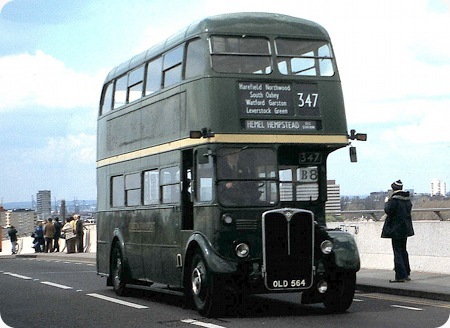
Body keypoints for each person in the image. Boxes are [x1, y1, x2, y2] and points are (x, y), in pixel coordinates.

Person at [381, 180, 415, 283]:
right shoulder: (407, 200)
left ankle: (400, 275)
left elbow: (388, 210)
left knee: (397, 252)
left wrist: (386, 202)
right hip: (405, 228)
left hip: (395, 229)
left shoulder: (393, 200)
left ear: (393, 189)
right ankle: (406, 273)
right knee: (403, 250)